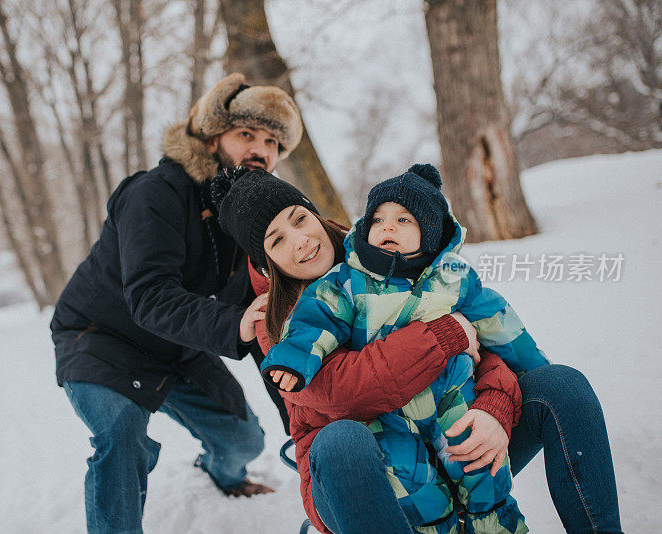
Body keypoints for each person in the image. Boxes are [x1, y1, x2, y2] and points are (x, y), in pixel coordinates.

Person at [211, 167, 623, 534]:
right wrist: (446, 333)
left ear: (315, 214)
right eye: (277, 240)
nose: (300, 241)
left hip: (453, 442)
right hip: (361, 479)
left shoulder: (398, 254)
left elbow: (484, 343)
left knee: (561, 385)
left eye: (300, 220)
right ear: (265, 262)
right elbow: (345, 393)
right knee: (341, 441)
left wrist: (496, 405)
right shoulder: (276, 322)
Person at [50, 72, 302, 533]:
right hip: (102, 338)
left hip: (180, 345)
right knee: (121, 439)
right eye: (246, 134)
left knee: (244, 442)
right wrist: (235, 323)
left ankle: (220, 474)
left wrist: (301, 423)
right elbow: (149, 295)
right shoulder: (154, 193)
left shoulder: (246, 218)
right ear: (211, 140)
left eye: (272, 142)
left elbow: (268, 323)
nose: (260, 150)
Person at [260, 164, 548, 532]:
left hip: (451, 393)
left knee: (478, 466)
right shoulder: (344, 284)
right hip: (382, 427)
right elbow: (315, 323)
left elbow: (497, 326)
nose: (387, 228)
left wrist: (521, 382)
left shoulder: (452, 277)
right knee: (417, 490)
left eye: (403, 220)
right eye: (378, 220)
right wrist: (293, 357)